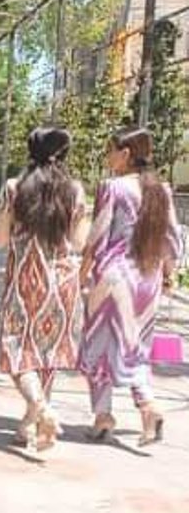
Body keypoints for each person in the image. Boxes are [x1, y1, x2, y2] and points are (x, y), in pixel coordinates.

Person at [78, 126, 182, 446]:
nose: (107, 157)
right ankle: (146, 408)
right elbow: (171, 239)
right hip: (147, 280)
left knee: (98, 345)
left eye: (110, 150)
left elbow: (97, 237)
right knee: (135, 346)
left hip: (113, 278)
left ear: (125, 153)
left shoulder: (113, 187)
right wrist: (169, 273)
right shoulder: (161, 190)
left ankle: (105, 415)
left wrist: (81, 273)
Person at [0, 128, 88, 452]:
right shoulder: (75, 191)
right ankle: (30, 425)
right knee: (46, 354)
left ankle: (40, 410)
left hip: (23, 284)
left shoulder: (14, 188)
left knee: (15, 350)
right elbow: (79, 243)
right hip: (62, 285)